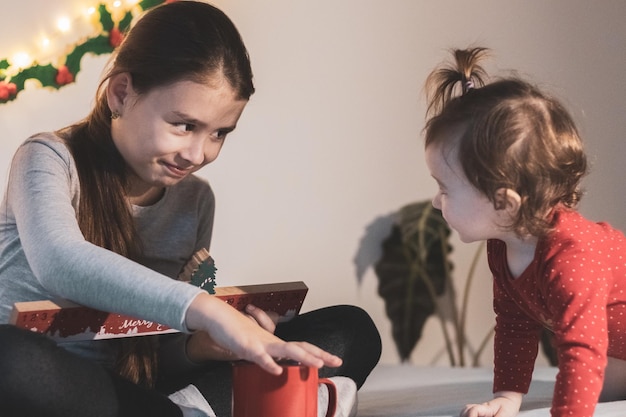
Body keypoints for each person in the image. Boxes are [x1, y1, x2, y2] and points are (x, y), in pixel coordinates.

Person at [0, 2, 381, 416]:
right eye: (184, 125)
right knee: (10, 358)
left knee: (351, 330)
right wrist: (207, 312)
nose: (198, 153)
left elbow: (154, 355)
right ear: (122, 93)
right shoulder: (47, 158)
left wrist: (201, 347)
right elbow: (60, 261)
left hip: (142, 392)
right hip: (57, 385)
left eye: (219, 133)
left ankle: (188, 412)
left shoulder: (195, 200)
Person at [422, 46, 626, 417]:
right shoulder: (503, 248)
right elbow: (515, 323)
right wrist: (507, 396)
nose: (436, 202)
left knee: (590, 377)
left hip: (606, 344)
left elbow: (583, 348)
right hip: (617, 347)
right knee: (605, 389)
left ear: (505, 202)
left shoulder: (572, 256)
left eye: (445, 188)